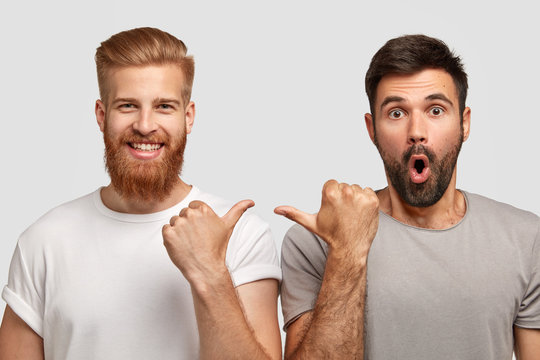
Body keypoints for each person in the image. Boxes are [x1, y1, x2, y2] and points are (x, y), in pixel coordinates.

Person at [0, 27, 282, 360]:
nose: (145, 125)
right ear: (101, 115)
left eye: (164, 106)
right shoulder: (43, 241)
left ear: (188, 117)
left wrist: (210, 271)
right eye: (127, 106)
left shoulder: (241, 234)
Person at [275, 34, 540, 359]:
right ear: (372, 129)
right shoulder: (316, 240)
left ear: (464, 124)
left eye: (436, 110)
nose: (417, 130)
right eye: (397, 113)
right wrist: (347, 253)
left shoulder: (525, 240)